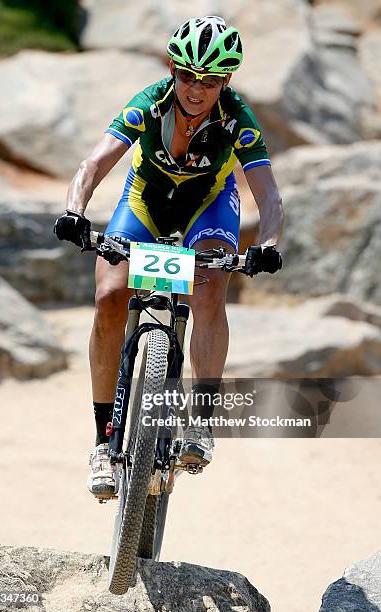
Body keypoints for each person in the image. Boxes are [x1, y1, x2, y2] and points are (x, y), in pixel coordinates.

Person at [54, 16, 284, 501]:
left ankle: (199, 423)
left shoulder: (239, 119)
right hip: (146, 200)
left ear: (226, 82)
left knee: (209, 287)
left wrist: (267, 244)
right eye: (187, 76)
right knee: (111, 295)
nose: (196, 90)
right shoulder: (149, 103)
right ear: (173, 70)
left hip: (209, 204)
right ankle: (102, 441)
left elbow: (269, 197)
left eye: (210, 80)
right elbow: (93, 165)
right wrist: (75, 210)